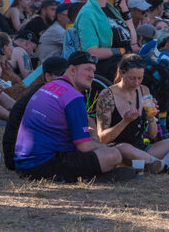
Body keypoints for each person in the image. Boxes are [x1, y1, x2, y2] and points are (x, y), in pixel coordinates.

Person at [14, 51, 133, 182]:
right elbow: (84, 147)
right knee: (113, 155)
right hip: (43, 166)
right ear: (71, 69)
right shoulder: (73, 97)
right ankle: (95, 177)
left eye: (93, 71)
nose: (92, 75)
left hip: (23, 162)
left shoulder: (50, 86)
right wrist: (104, 147)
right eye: (87, 69)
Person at [95, 55, 169, 172]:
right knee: (124, 147)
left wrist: (151, 117)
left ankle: (164, 165)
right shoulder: (107, 96)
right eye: (132, 78)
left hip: (143, 149)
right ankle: (167, 165)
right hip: (119, 151)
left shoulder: (144, 90)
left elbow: (152, 135)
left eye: (140, 78)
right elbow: (103, 139)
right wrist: (125, 121)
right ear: (121, 73)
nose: (136, 83)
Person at [1, 56, 68, 170]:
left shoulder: (43, 91)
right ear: (48, 77)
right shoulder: (46, 96)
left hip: (17, 154)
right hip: (20, 157)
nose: (66, 79)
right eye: (61, 75)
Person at [74, 0, 126, 81]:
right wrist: (122, 51)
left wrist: (126, 13)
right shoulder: (87, 14)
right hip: (108, 66)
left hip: (124, 61)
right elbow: (91, 52)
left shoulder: (112, 9)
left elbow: (130, 38)